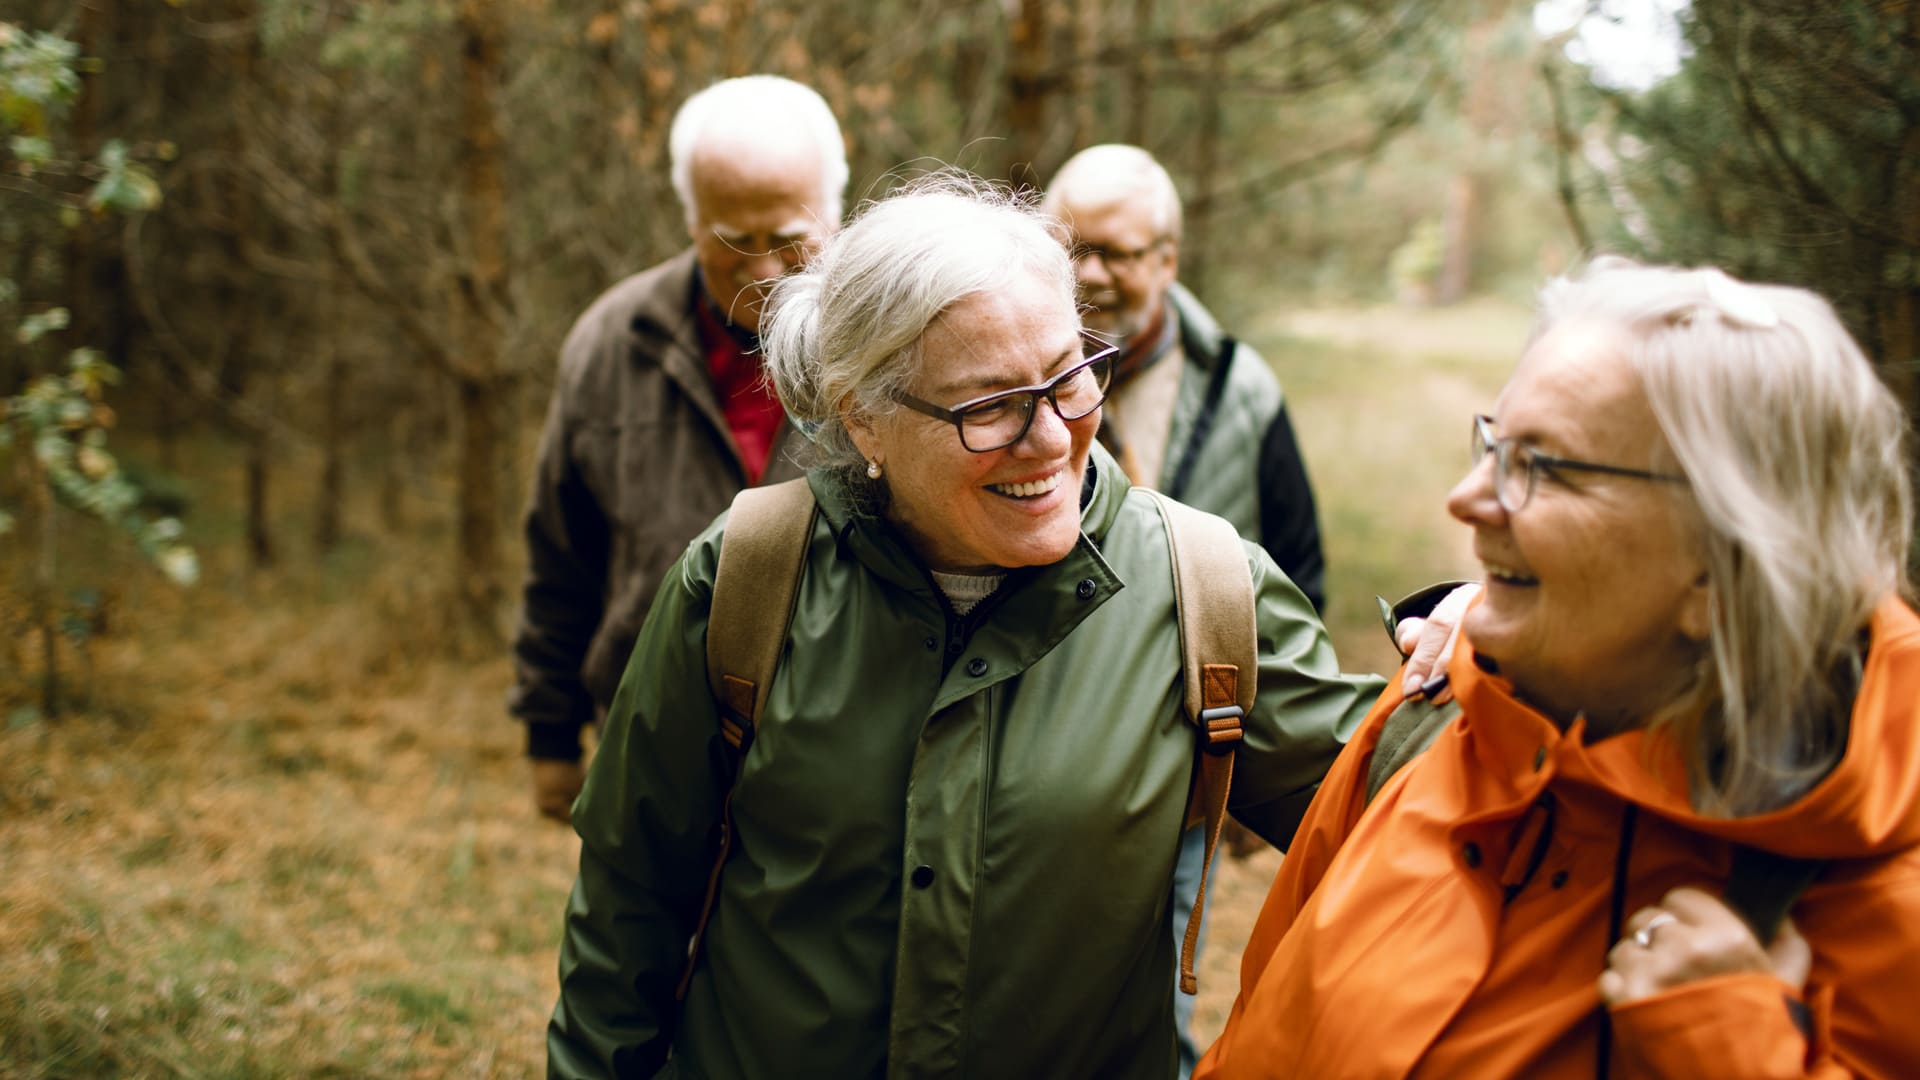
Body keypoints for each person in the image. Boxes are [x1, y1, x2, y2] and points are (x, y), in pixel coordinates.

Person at [546, 176, 1404, 1078]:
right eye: (988, 405)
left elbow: (1415, 812)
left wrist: (1488, 641)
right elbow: (626, 913)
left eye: (1071, 376)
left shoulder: (1204, 592)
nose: (1052, 439)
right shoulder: (748, 578)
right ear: (863, 416)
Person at [1197, 259, 1920, 1078]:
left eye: (1542, 467)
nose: (1466, 498)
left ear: (1723, 566)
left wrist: (1728, 1049)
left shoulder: (1879, 895)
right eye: (1496, 444)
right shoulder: (1428, 721)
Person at [1044, 143, 1327, 1075]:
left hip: (1175, 735)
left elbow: (1298, 570)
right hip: (1028, 712)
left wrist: (1254, 755)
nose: (1089, 272)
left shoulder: (1241, 385)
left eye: (1117, 253)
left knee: (1153, 964)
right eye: (1070, 245)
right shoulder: (1003, 371)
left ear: (1167, 259)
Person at [509, 76, 847, 822]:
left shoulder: (889, 346)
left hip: (846, 764)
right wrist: (550, 733)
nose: (763, 269)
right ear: (691, 220)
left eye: (787, 238)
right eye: (733, 240)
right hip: (650, 744)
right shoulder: (612, 341)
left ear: (835, 212)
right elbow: (562, 552)